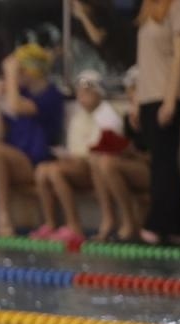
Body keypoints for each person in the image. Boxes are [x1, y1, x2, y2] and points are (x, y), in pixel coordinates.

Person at [0, 43, 64, 237]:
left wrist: (9, 75)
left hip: (36, 162)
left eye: (19, 70)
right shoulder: (21, 94)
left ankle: (4, 215)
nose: (14, 75)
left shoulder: (52, 95)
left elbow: (17, 107)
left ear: (31, 71)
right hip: (11, 158)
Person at [133, 0, 180, 245]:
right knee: (162, 160)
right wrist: (137, 99)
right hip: (149, 95)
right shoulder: (148, 7)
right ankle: (177, 228)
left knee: (163, 162)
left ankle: (157, 225)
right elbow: (144, 60)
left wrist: (169, 100)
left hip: (170, 95)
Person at [32, 70, 123, 242]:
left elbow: (101, 151)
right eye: (80, 93)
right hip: (78, 164)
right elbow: (75, 148)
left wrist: (75, 158)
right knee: (42, 170)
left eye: (87, 92)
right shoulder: (78, 117)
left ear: (98, 92)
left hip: (94, 170)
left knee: (54, 172)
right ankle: (51, 223)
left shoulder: (107, 115)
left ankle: (74, 226)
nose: (82, 97)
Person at [88, 67, 151, 241]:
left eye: (136, 91)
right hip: (134, 167)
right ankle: (108, 218)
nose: (132, 96)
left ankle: (129, 222)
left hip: (153, 172)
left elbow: (158, 158)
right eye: (131, 91)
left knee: (108, 163)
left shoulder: (154, 117)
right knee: (96, 160)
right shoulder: (128, 117)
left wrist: (132, 153)